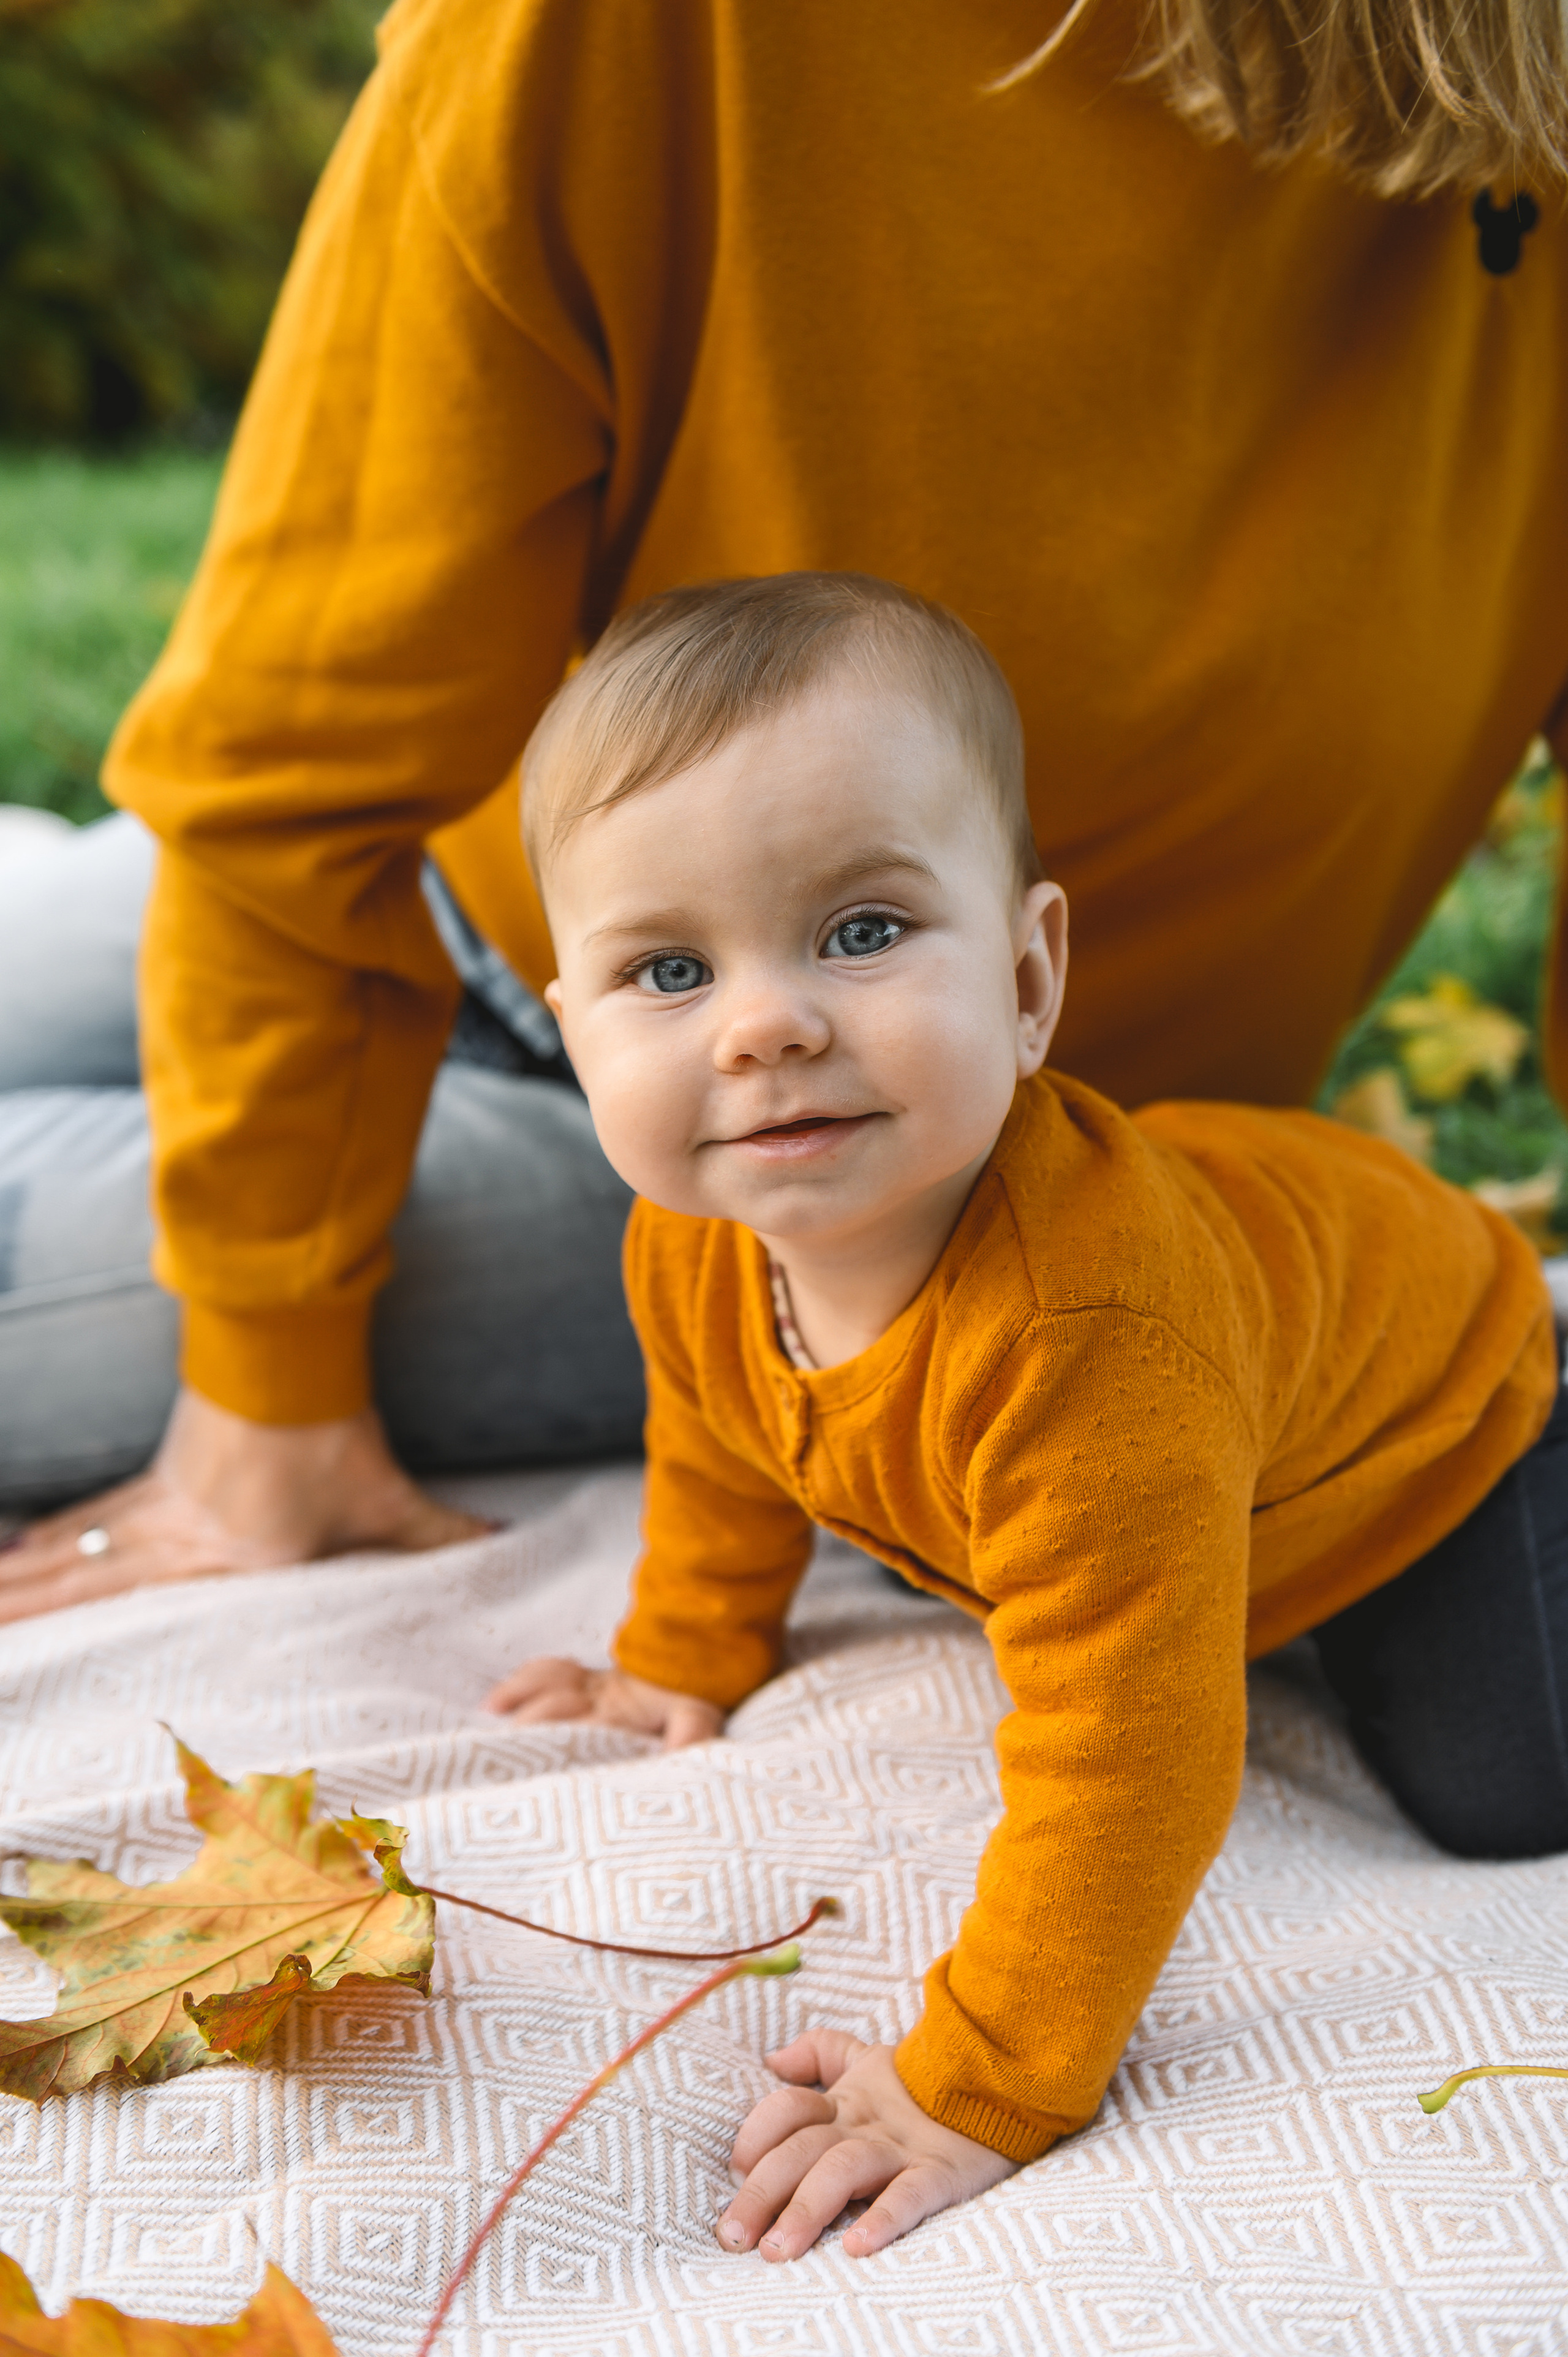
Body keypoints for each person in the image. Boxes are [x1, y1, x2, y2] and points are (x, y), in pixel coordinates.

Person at [3, 0, 1566, 1616]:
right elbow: (283, 763)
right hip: (457, 905)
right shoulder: (607, 35)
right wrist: (267, 1400)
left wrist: (271, 1382)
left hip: (908, 1159)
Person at [485, 571, 1562, 2257]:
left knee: (1508, 1780)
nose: (767, 1024)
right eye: (671, 969)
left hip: (1434, 1414)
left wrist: (979, 2081)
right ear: (573, 1030)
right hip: (1235, 1357)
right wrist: (687, 1645)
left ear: (1031, 973)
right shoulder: (692, 1235)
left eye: (861, 931)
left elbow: (1134, 1753)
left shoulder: (1087, 1343)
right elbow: (721, 1426)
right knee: (1124, 1557)